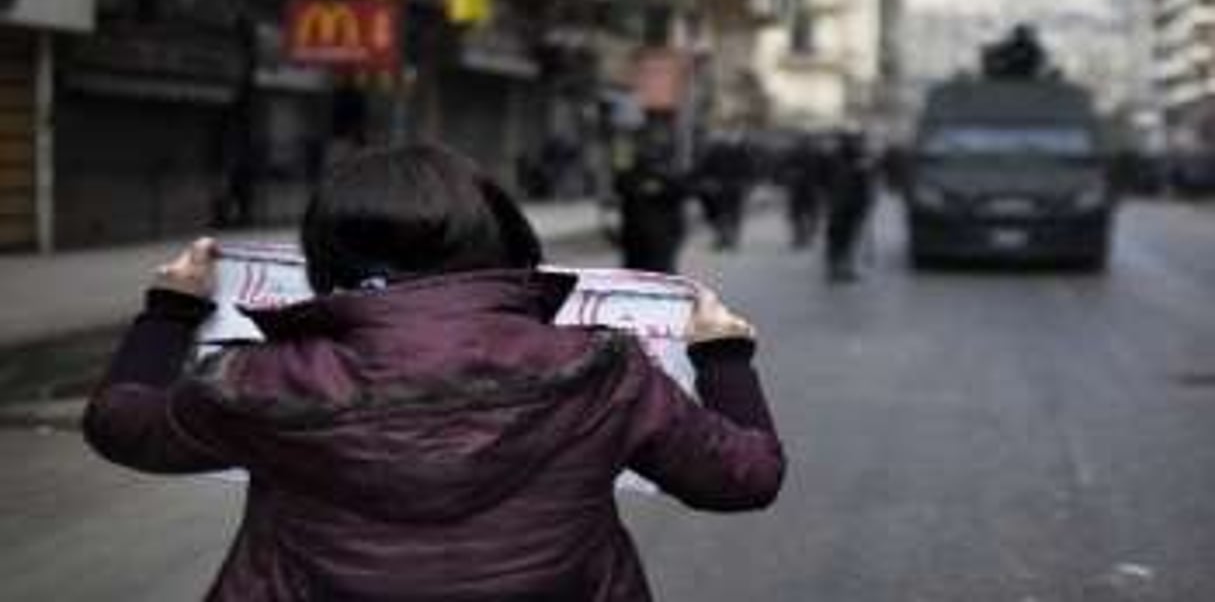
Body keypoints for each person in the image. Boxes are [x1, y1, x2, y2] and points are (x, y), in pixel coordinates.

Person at [83, 143, 784, 602]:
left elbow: (121, 424)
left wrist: (168, 314)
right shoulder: (602, 368)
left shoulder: (255, 381)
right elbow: (743, 477)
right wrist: (722, 357)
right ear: (495, 239)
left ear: (324, 253)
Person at [615, 139, 689, 273]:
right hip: (642, 236)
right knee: (649, 272)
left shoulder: (667, 176)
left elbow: (682, 192)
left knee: (655, 271)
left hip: (654, 235)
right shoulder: (631, 177)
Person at [824, 131, 875, 282]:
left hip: (846, 206)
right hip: (844, 205)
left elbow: (865, 186)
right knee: (842, 237)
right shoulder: (853, 162)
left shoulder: (856, 161)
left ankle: (840, 267)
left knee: (844, 237)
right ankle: (838, 267)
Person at [693, 130, 757, 251]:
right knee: (719, 214)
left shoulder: (743, 152)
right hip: (719, 188)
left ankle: (729, 238)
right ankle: (723, 238)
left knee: (732, 214)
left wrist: (746, 184)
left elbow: (750, 170)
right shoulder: (715, 152)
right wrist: (706, 181)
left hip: (734, 188)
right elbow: (704, 168)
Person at [780, 133, 827, 249]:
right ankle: (799, 236)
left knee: (811, 214)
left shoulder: (817, 155)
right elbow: (783, 169)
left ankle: (807, 234)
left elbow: (825, 172)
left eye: (806, 142)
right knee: (797, 214)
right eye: (803, 142)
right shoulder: (793, 155)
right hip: (798, 188)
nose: (805, 145)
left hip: (811, 188)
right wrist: (790, 176)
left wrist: (823, 185)